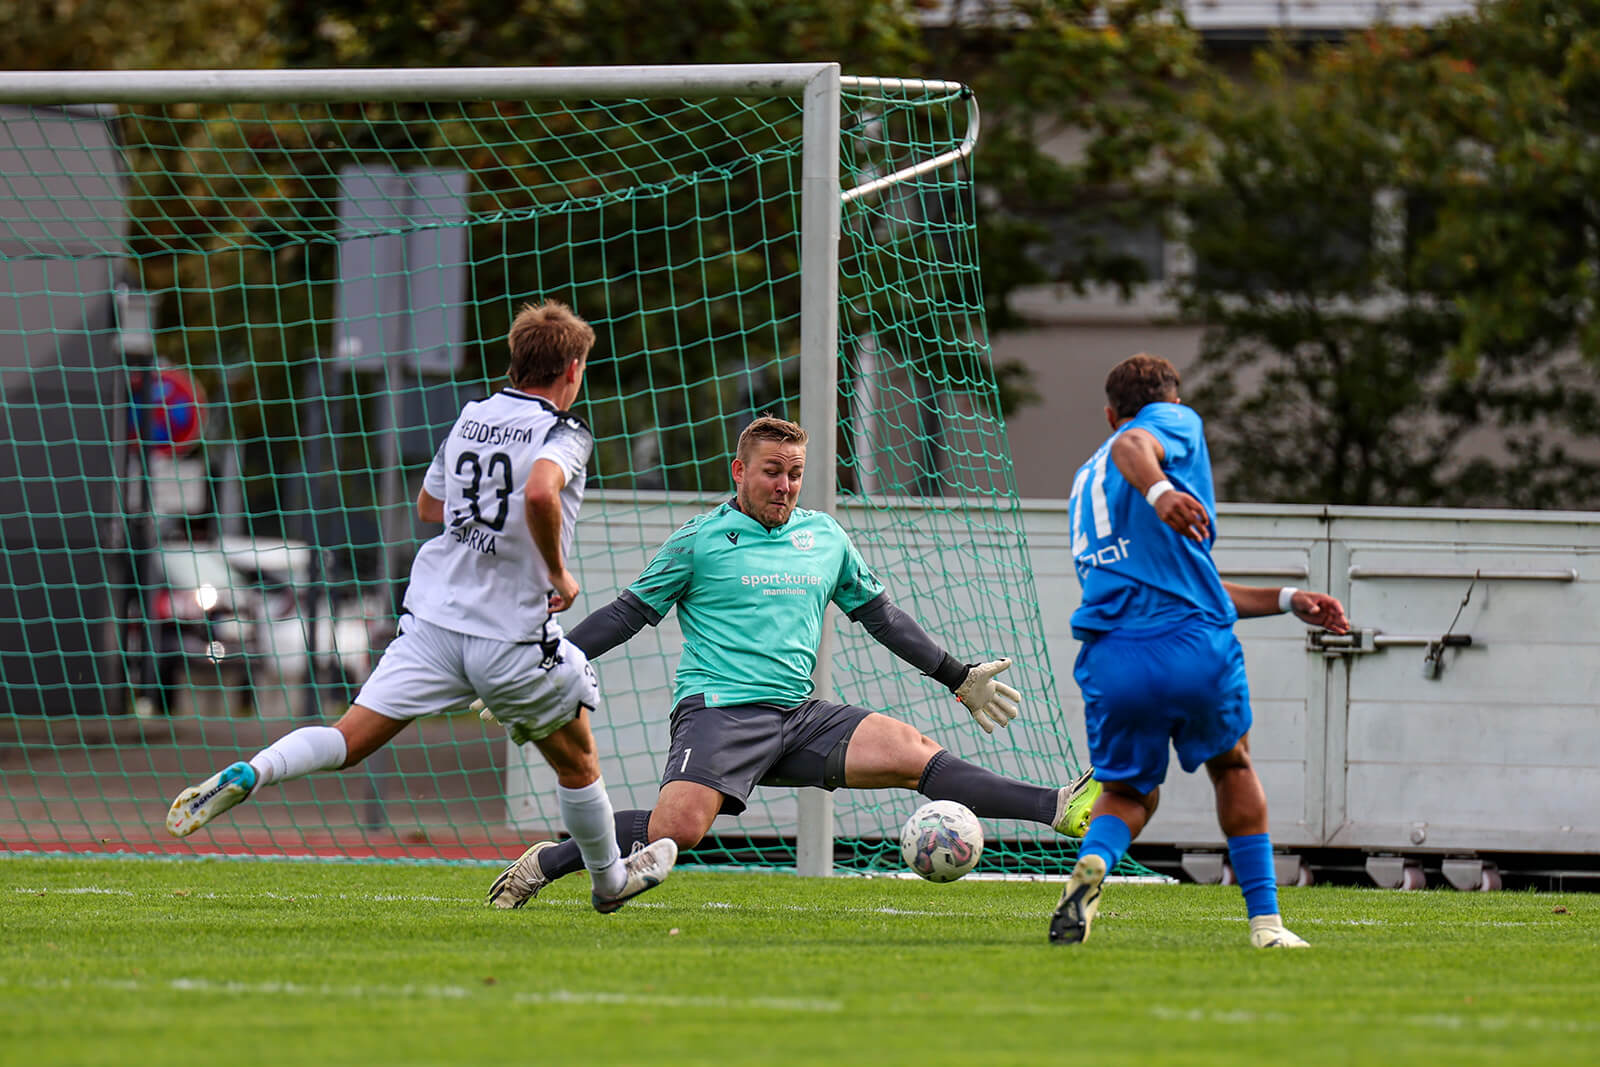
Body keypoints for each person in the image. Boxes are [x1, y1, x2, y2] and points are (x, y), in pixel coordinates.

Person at [166, 300, 677, 914]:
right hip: (509, 633)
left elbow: (430, 505)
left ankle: (253, 772)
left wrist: (480, 518)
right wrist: (557, 571)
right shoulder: (564, 431)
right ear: (572, 368)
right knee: (579, 763)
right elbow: (542, 490)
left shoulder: (471, 418)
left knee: (347, 740)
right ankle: (607, 881)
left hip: (433, 621)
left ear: (515, 360)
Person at [483, 414, 1101, 908]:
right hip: (718, 712)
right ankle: (547, 861)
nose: (785, 485)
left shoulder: (825, 537)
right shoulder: (698, 540)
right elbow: (625, 614)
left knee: (914, 750)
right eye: (772, 472)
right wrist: (538, 663)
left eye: (795, 474)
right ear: (740, 471)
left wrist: (957, 675)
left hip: (801, 715)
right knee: (676, 834)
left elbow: (880, 616)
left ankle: (1053, 804)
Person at [1049, 353, 1350, 948]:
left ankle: (1090, 874)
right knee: (1231, 764)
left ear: (1107, 411)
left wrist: (1288, 598)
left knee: (1129, 792)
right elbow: (1135, 444)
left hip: (1112, 656)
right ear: (1171, 403)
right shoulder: (1166, 425)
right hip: (1189, 643)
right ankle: (1266, 925)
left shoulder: (1085, 482)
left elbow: (1187, 579)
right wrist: (1162, 490)